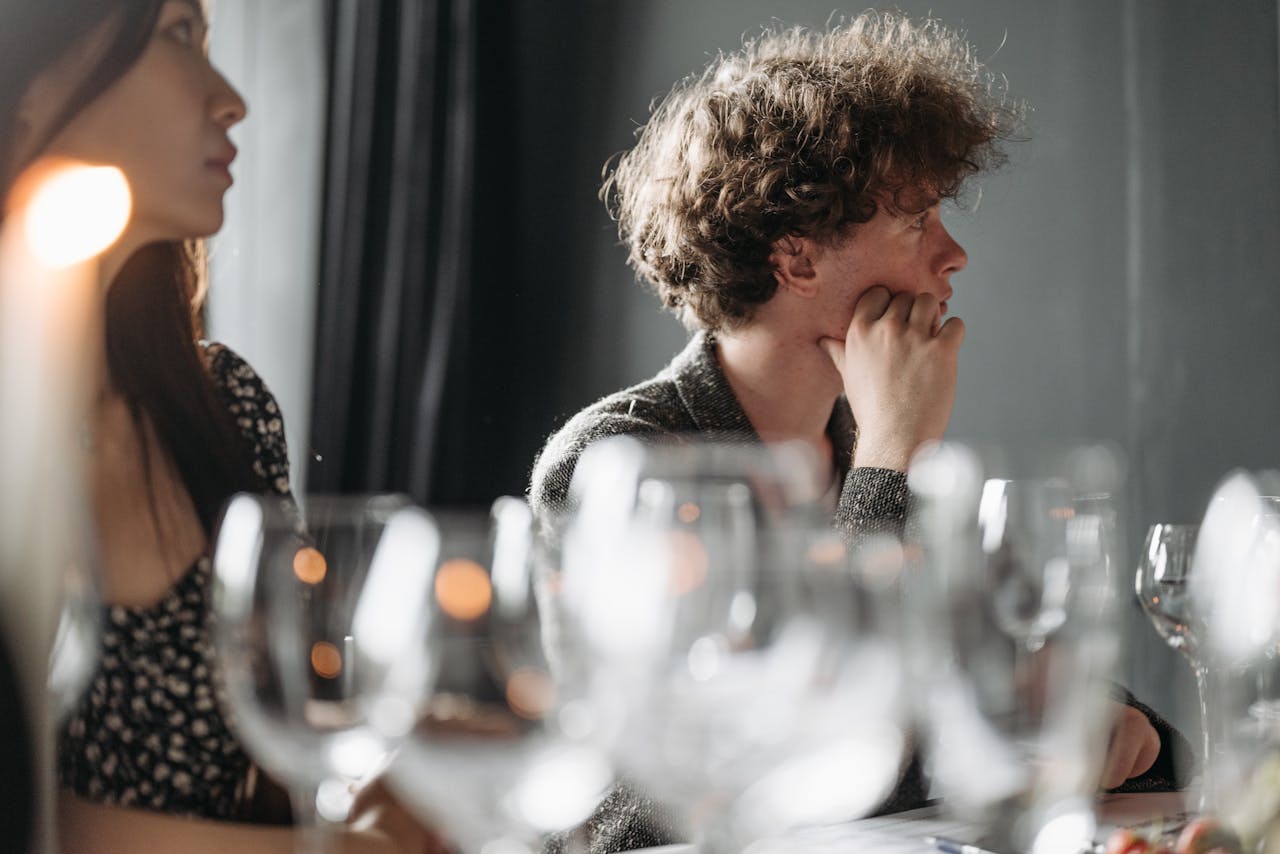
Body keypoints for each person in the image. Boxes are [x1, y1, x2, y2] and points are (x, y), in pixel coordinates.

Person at [530, 13, 1190, 852]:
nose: (953, 258)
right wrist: (891, 459)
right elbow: (631, 819)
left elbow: (1087, 740)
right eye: (918, 223)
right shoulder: (620, 461)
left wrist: (1106, 728)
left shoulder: (872, 447)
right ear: (797, 260)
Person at [0, 2, 441, 851]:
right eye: (176, 35)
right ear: (34, 74)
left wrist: (377, 791)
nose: (232, 97)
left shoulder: (224, 404)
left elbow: (288, 740)